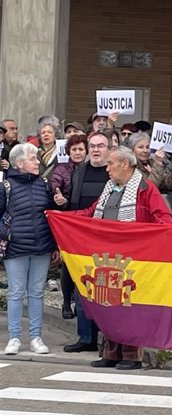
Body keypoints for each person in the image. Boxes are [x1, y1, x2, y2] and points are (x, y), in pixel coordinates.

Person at [73, 146, 172, 370]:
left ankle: (132, 354)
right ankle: (111, 351)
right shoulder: (110, 187)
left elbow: (164, 219)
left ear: (125, 164)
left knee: (129, 305)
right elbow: (90, 213)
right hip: (107, 255)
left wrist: (151, 241)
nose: (107, 168)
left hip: (133, 258)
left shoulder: (146, 188)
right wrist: (62, 217)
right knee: (109, 303)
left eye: (111, 164)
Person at [2, 143, 64, 355]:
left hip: (41, 246)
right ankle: (14, 338)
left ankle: (36, 337)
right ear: (19, 163)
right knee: (16, 293)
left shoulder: (44, 184)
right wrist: (8, 234)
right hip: (15, 247)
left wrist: (59, 204)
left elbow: (50, 213)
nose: (38, 162)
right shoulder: (5, 186)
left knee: (37, 293)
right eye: (33, 158)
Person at [62, 131, 115, 353]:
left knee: (107, 290)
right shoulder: (79, 172)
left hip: (108, 239)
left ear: (109, 149)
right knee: (83, 288)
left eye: (100, 146)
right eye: (92, 146)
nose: (95, 150)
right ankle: (86, 337)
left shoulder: (115, 173)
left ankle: (110, 339)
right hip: (82, 239)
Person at [50, 133, 88, 319]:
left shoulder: (91, 169)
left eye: (81, 149)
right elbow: (54, 185)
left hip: (88, 221)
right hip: (68, 221)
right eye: (74, 149)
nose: (78, 152)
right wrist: (60, 199)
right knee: (68, 264)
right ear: (68, 152)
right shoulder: (62, 169)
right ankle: (66, 302)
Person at [37, 115, 61, 180]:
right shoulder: (35, 152)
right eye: (43, 133)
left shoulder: (61, 152)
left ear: (55, 135)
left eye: (50, 132)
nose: (46, 134)